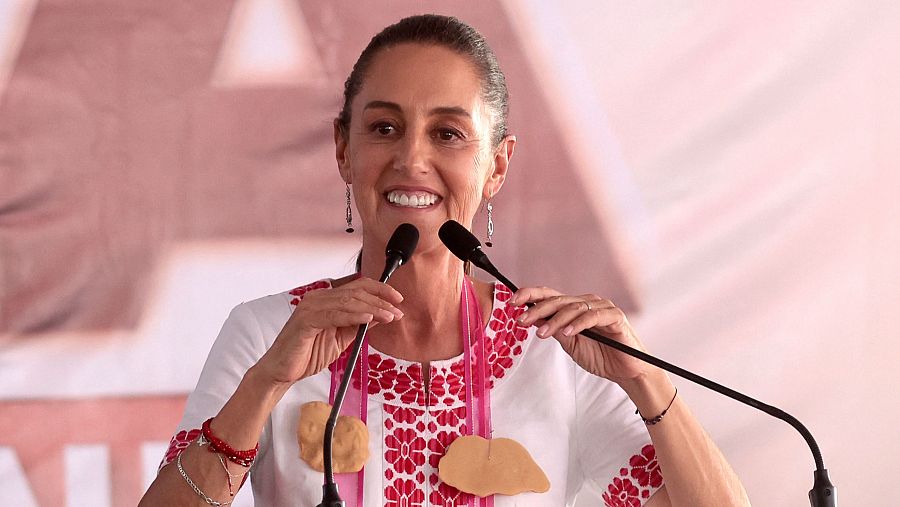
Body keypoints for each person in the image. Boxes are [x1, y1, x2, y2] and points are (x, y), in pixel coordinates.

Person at [140, 14, 750, 507]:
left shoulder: (554, 352)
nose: (411, 157)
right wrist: (268, 382)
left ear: (498, 166)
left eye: (449, 133)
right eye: (383, 128)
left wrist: (645, 381)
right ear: (343, 149)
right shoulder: (270, 334)